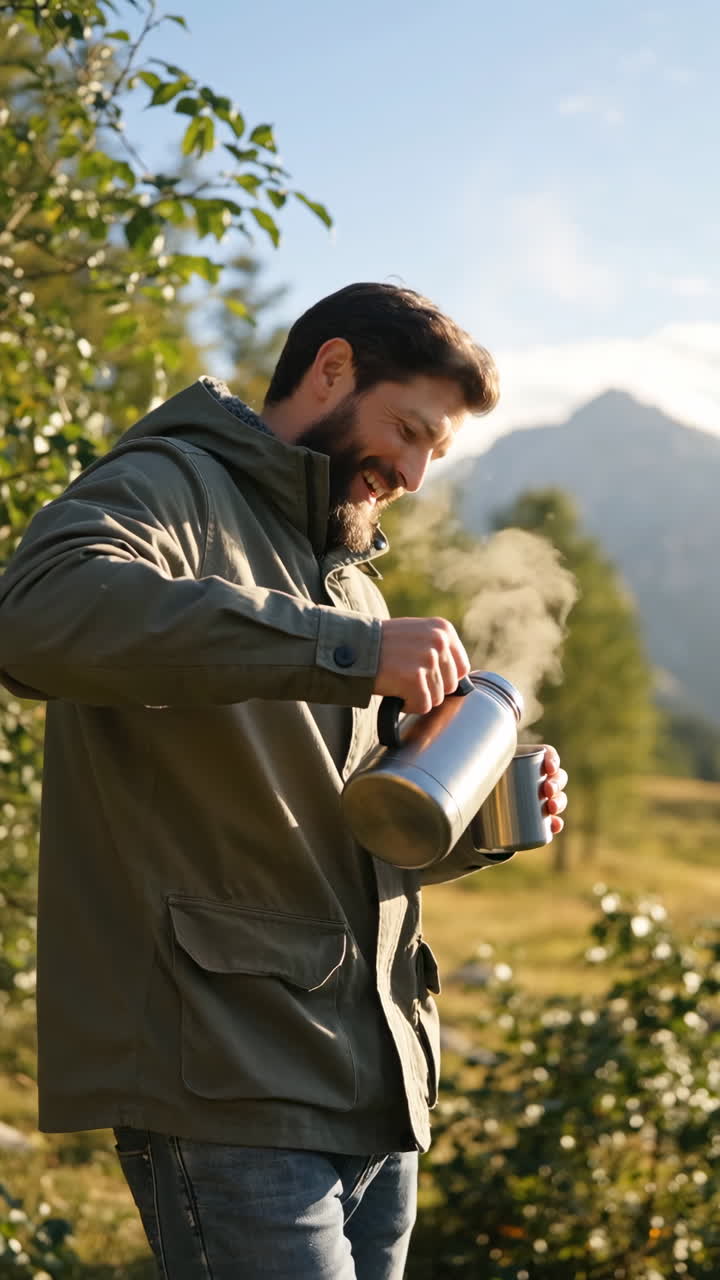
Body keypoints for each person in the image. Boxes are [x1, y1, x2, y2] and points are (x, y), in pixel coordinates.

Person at [0, 283, 567, 1279]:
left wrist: (479, 818)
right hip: (226, 1072)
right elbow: (36, 615)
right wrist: (344, 649)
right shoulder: (173, 482)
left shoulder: (351, 576)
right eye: (409, 429)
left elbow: (337, 833)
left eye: (437, 450)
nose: (415, 472)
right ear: (333, 368)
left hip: (372, 1083)